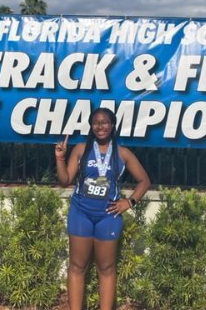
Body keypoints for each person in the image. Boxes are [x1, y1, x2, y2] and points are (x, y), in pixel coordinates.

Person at [55, 107, 150, 310]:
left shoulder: (123, 153)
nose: (100, 126)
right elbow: (65, 180)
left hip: (108, 216)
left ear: (112, 125)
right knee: (77, 266)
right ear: (91, 126)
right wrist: (60, 158)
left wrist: (129, 202)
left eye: (105, 122)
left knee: (106, 268)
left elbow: (144, 181)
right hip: (81, 213)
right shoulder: (81, 149)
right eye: (96, 122)